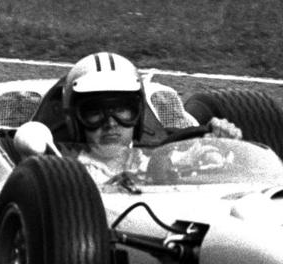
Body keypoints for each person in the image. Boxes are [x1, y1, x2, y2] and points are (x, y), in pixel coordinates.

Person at [56, 51, 240, 185]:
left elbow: (193, 156)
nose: (111, 123)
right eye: (95, 112)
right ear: (75, 120)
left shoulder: (155, 155)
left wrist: (219, 143)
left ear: (137, 115)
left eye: (121, 111)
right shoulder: (65, 170)